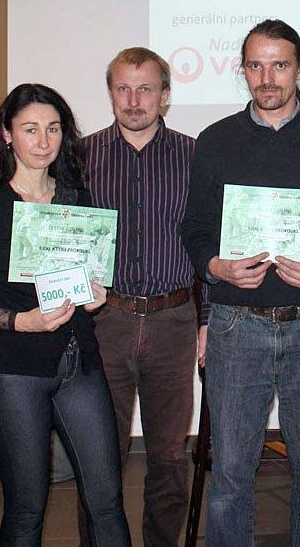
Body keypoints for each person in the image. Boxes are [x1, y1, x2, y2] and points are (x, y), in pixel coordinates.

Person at [180, 19, 300, 546]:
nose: (267, 79)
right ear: (242, 69)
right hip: (236, 326)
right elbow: (195, 227)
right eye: (256, 65)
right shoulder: (216, 141)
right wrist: (215, 267)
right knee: (231, 476)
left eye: (280, 65)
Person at [0, 84, 130, 546]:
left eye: (53, 129)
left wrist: (96, 294)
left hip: (78, 360)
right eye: (30, 129)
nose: (44, 141)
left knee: (107, 501)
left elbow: (91, 277)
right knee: (27, 507)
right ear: (7, 135)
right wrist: (19, 320)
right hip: (12, 369)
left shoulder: (77, 199)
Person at [81, 47, 207, 547]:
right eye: (123, 88)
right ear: (111, 92)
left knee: (169, 458)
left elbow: (209, 243)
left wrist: (207, 321)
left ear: (166, 96)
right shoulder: (80, 156)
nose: (133, 100)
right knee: (98, 454)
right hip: (102, 322)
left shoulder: (196, 156)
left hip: (174, 321)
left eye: (145, 88)